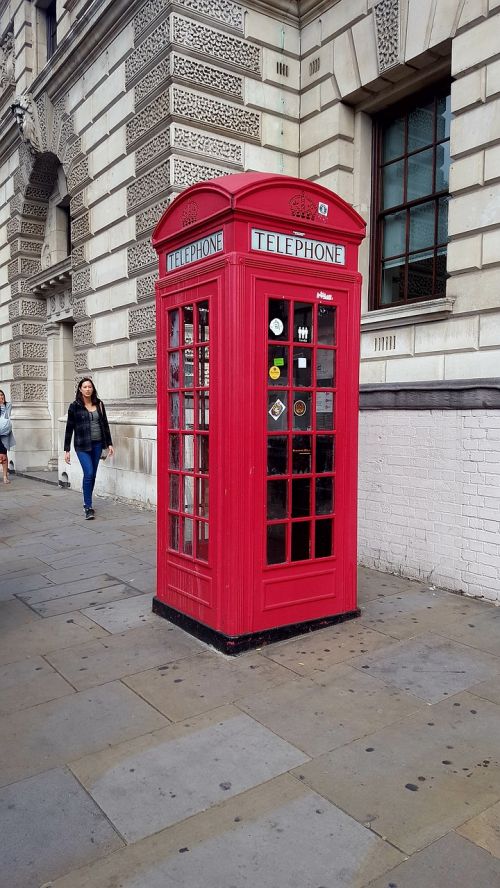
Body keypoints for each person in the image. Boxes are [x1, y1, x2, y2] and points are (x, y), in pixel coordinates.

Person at [64, 377, 114, 519]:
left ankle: (87, 500)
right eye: (85, 387)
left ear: (93, 389)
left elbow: (105, 425)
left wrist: (109, 444)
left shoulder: (99, 404)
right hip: (82, 445)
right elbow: (69, 428)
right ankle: (88, 506)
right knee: (89, 473)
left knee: (92, 475)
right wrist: (66, 450)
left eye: (90, 387)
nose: (87, 389)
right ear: (80, 389)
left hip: (98, 444)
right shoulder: (74, 406)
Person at [0, 390, 15, 484]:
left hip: (4, 434)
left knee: (4, 456)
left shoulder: (8, 405)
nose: (1, 396)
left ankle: (5, 476)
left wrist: (2, 406)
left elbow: (7, 416)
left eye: (2, 394)